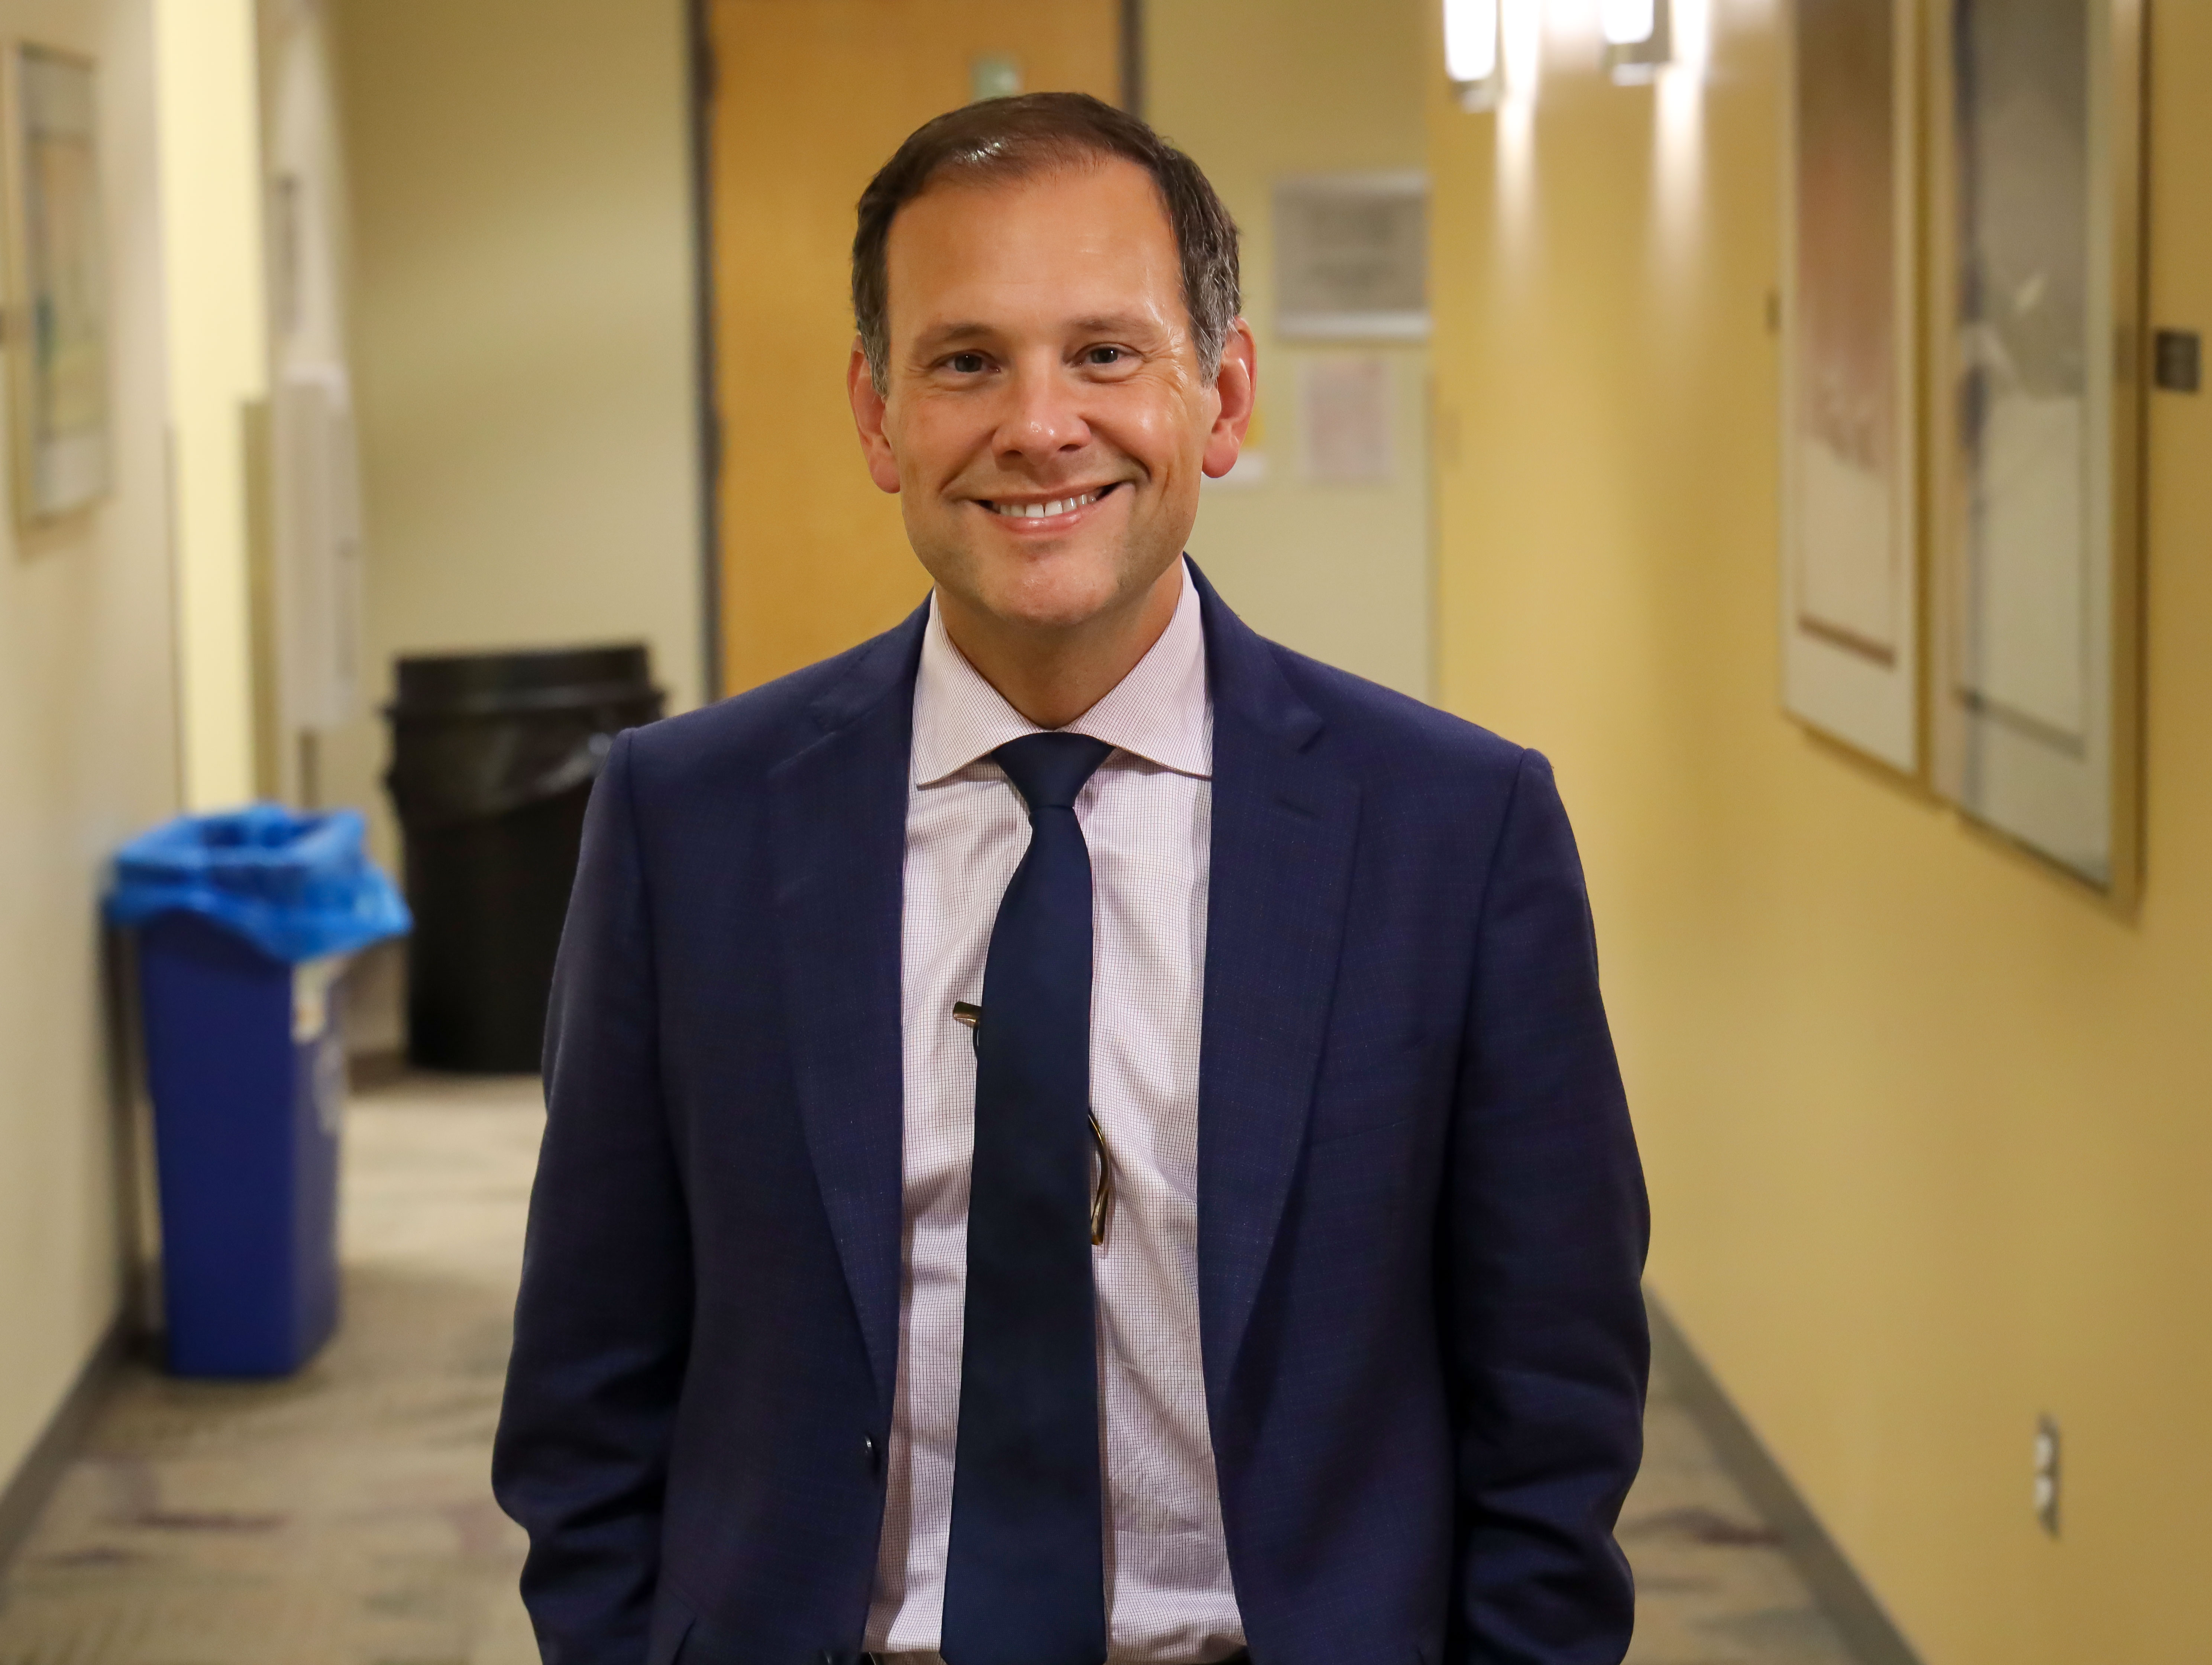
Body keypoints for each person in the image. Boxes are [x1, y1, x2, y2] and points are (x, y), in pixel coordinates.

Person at [493, 92, 1649, 1665]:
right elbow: (589, 1382)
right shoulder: (684, 822)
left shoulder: (1455, 833)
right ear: (876, 412)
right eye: (967, 360)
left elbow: (1554, 1406)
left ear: (1223, 398)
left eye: (1106, 353)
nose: (1039, 424)